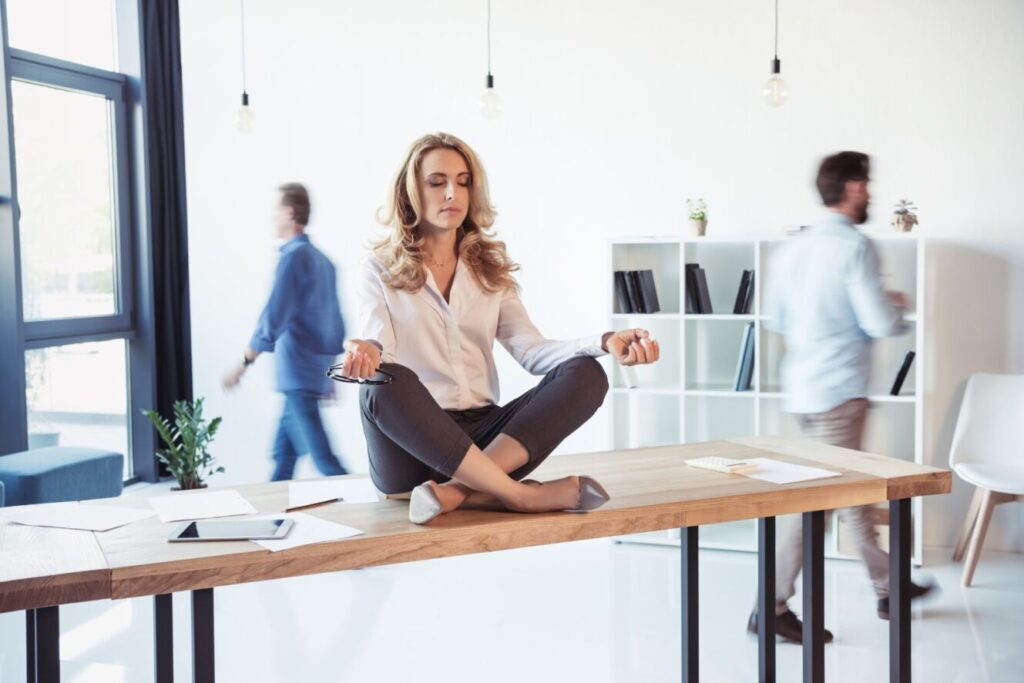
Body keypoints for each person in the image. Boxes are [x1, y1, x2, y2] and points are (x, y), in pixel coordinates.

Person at [338, 132, 660, 524]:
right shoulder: (377, 270)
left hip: (487, 441)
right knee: (384, 382)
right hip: (413, 448)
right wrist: (368, 352)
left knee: (586, 372)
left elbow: (532, 352)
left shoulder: (489, 271)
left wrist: (606, 342)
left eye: (463, 182)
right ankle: (516, 495)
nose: (452, 194)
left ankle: (458, 492)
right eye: (437, 183)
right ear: (410, 193)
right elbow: (379, 345)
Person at [748, 151, 934, 643]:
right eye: (867, 184)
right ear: (852, 187)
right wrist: (894, 307)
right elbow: (878, 322)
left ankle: (889, 586)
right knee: (819, 500)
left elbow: (777, 320)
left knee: (851, 491)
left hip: (804, 390)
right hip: (840, 391)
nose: (869, 193)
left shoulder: (794, 250)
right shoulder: (856, 247)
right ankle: (770, 606)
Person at [223, 183, 348, 481]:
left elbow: (273, 318)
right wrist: (330, 374)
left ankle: (375, 513)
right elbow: (335, 324)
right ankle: (274, 524)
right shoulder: (324, 261)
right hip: (310, 374)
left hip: (296, 374)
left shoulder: (293, 259)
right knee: (284, 457)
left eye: (275, 211)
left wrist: (243, 364)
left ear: (289, 213)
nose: (271, 218)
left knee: (325, 461)